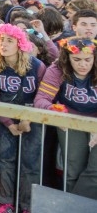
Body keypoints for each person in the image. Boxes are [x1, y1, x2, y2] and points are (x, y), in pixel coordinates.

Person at [0, 23, 47, 213]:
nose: (3, 44)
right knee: (5, 159)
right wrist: (9, 123)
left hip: (32, 118)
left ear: (20, 44)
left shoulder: (37, 65)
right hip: (6, 117)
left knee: (30, 163)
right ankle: (6, 202)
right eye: (1, 40)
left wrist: (29, 118)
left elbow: (42, 96)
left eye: (9, 41)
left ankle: (26, 205)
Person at [35, 36, 97, 198]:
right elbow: (41, 99)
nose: (83, 65)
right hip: (69, 121)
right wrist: (55, 111)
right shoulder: (57, 69)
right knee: (72, 170)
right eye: (77, 59)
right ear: (67, 59)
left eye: (87, 60)